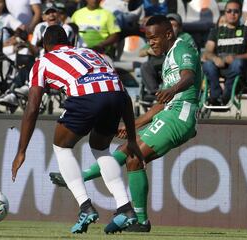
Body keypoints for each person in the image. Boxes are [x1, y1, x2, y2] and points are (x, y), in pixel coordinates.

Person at [50, 14, 202, 232]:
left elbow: (188, 76)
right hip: (169, 113)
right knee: (130, 155)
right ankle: (139, 220)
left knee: (132, 155)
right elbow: (161, 104)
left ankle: (79, 179)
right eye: (148, 39)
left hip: (179, 115)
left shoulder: (182, 48)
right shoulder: (169, 56)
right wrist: (132, 125)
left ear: (168, 34)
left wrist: (172, 89)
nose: (151, 43)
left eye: (154, 38)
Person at [11, 25, 144, 234]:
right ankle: (126, 208)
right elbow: (124, 97)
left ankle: (85, 207)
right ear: (70, 43)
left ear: (45, 46)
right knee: (101, 148)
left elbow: (33, 106)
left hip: (86, 96)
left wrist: (21, 151)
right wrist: (132, 139)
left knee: (62, 147)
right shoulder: (93, 53)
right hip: (116, 96)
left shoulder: (43, 61)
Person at [0, 3, 74, 107]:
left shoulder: (66, 28)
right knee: (27, 63)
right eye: (48, 13)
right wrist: (27, 42)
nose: (51, 15)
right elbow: (34, 51)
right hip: (40, 60)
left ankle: (21, 91)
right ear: (43, 17)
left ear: (59, 14)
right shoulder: (40, 27)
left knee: (36, 65)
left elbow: (63, 49)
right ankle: (13, 93)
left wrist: (43, 42)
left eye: (54, 12)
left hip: (59, 62)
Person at [202, 0, 247, 106]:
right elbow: (208, 51)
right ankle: (215, 95)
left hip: (240, 67)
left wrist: (236, 57)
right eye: (229, 11)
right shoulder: (216, 31)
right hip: (219, 65)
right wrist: (215, 59)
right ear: (225, 13)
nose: (232, 14)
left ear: (240, 14)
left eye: (235, 11)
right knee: (207, 64)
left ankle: (226, 96)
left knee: (237, 63)